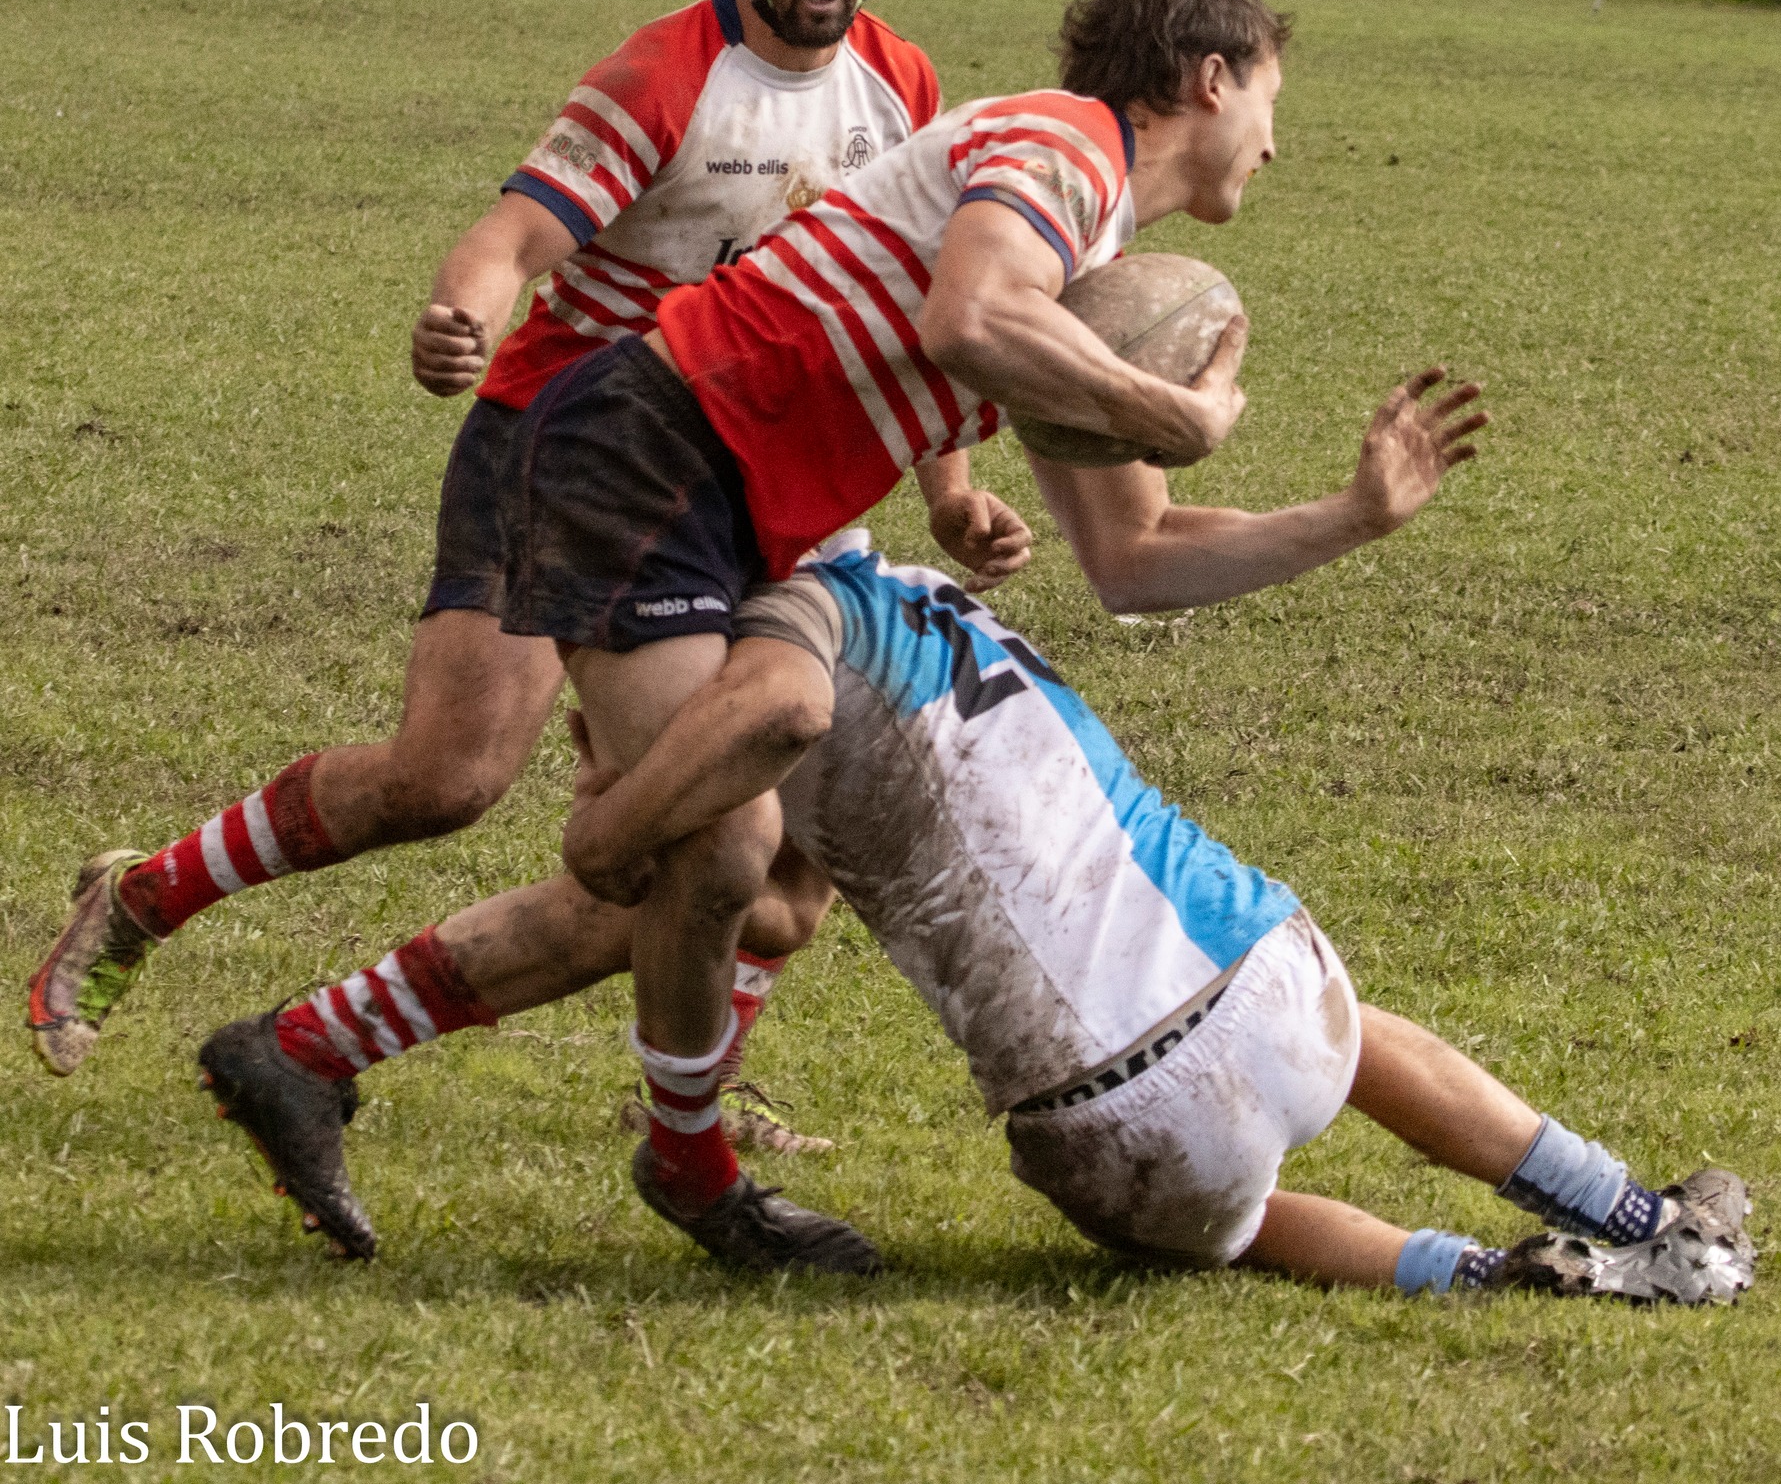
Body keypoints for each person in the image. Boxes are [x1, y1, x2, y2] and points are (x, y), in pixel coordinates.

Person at [474, 0, 1484, 1269]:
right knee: (714, 838)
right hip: (654, 443)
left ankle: (404, 1059)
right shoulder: (1062, 145)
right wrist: (1174, 412)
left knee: (750, 877)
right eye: (1271, 104)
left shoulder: (1084, 253)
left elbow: (1132, 558)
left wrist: (1346, 519)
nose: (1275, 146)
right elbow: (969, 318)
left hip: (742, 504)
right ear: (1212, 77)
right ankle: (680, 1144)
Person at [27, 0, 1029, 1082]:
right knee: (445, 777)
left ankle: (692, 1093)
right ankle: (141, 898)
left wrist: (952, 490)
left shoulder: (902, 88)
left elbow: (916, 301)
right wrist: (462, 317)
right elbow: (511, 236)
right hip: (567, 443)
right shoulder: (665, 74)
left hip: (754, 482)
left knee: (778, 872)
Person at [193, 532, 1753, 1309]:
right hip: (1268, 981)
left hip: (1108, 1126)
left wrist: (615, 801)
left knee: (1230, 1222)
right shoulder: (912, 580)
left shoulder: (757, 653)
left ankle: (1479, 1281)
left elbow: (718, 869)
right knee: (1357, 1054)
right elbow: (790, 898)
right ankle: (1626, 1216)